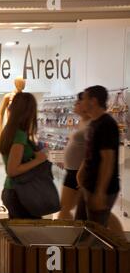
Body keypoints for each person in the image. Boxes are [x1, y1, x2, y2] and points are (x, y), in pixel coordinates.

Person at [76, 86, 123, 232]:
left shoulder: (107, 124)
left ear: (93, 101)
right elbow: (90, 153)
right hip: (89, 185)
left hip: (101, 188)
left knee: (95, 235)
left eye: (83, 98)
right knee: (80, 227)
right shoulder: (94, 123)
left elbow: (107, 160)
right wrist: (81, 173)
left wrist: (100, 192)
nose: (81, 102)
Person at [0, 92, 47, 219]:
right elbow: (12, 170)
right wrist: (39, 160)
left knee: (18, 234)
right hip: (20, 192)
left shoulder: (9, 132)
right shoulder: (19, 135)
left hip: (15, 190)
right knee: (28, 235)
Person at [58, 92, 90, 220]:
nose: (75, 104)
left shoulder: (91, 124)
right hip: (73, 171)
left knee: (66, 208)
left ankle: (65, 235)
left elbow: (90, 152)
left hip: (79, 173)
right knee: (67, 208)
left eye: (78, 102)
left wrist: (82, 172)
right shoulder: (82, 121)